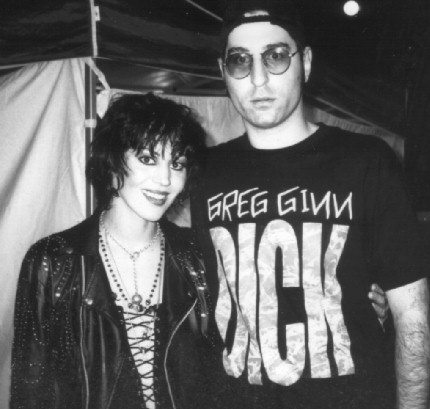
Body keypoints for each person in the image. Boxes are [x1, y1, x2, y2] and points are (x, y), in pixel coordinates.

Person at [191, 0, 430, 408]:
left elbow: (414, 316)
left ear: (305, 63)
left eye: (276, 56)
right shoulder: (204, 172)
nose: (258, 79)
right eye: (240, 61)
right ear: (223, 72)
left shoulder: (365, 161)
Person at [10, 93, 212, 409]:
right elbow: (30, 391)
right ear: (113, 159)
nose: (165, 179)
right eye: (148, 159)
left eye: (177, 164)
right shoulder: (53, 259)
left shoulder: (197, 255)